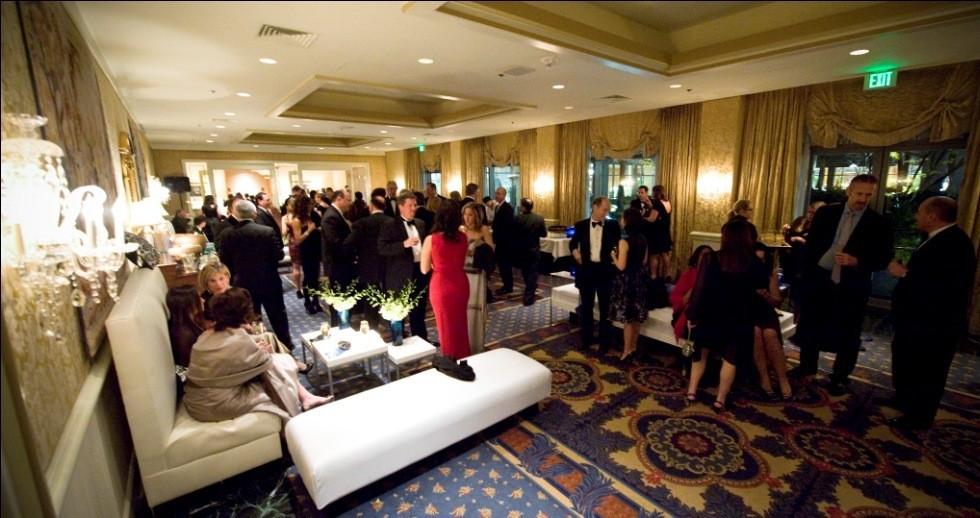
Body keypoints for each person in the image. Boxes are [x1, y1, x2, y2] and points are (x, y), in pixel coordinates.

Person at [788, 174, 892, 396]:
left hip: (852, 286)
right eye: (859, 193)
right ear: (848, 191)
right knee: (810, 325)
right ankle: (807, 367)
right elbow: (812, 246)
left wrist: (858, 262)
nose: (863, 199)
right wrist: (805, 275)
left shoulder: (878, 223)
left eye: (868, 195)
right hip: (819, 280)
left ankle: (840, 376)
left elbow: (883, 258)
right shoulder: (827, 213)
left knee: (849, 332)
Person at [884, 197, 975, 432]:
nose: (916, 216)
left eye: (920, 212)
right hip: (918, 319)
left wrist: (904, 274)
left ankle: (918, 418)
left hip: (934, 323)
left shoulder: (954, 243)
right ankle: (905, 400)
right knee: (909, 361)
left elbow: (943, 286)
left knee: (928, 371)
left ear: (932, 216)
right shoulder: (940, 238)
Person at [183, 288, 331, 423]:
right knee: (276, 373)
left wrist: (258, 351)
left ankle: (305, 399)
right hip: (214, 404)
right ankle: (294, 421)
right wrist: (263, 352)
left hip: (196, 399)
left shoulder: (208, 334)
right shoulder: (239, 339)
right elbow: (267, 364)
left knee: (273, 361)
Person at [685, 219, 766, 411]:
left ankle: (692, 390)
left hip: (711, 313)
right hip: (739, 317)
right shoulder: (754, 263)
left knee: (701, 354)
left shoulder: (711, 258)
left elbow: (699, 289)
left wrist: (692, 315)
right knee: (730, 359)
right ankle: (720, 399)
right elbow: (760, 289)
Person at [216, 200, 295, 349]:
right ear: (254, 213)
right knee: (277, 315)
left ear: (236, 214)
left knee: (247, 317)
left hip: (243, 283)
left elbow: (224, 260)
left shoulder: (227, 234)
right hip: (269, 280)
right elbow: (278, 256)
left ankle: (252, 347)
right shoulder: (266, 231)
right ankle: (286, 344)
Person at [569, 196, 621, 354]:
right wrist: (575, 252)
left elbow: (619, 244)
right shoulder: (581, 225)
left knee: (605, 309)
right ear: (595, 207)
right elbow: (573, 242)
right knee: (587, 307)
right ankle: (587, 339)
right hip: (587, 271)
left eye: (608, 211)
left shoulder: (613, 225)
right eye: (604, 210)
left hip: (605, 272)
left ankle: (605, 342)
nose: (606, 213)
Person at [379, 191, 430, 341]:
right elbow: (382, 248)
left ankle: (421, 339)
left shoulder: (420, 223)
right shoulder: (390, 224)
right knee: (399, 311)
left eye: (415, 205)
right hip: (399, 275)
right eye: (410, 206)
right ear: (401, 207)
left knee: (419, 309)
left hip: (419, 272)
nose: (414, 208)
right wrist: (403, 244)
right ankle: (398, 341)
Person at [421, 205, 470, 359]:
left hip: (441, 285)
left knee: (445, 328)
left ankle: (451, 362)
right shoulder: (463, 237)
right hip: (461, 283)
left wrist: (437, 264)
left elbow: (424, 269)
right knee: (460, 325)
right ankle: (464, 359)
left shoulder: (431, 239)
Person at [751, 242, 793, 400]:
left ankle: (782, 378)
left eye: (763, 259)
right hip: (749, 312)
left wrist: (766, 295)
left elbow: (777, 302)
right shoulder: (745, 272)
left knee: (769, 333)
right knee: (755, 332)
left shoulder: (771, 273)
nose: (760, 263)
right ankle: (764, 378)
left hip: (766, 311)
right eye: (757, 259)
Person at [345, 196, 391, 330]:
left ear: (371, 207)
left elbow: (348, 243)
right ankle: (396, 332)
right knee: (392, 302)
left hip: (368, 267)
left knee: (371, 303)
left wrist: (355, 256)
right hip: (389, 267)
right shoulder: (392, 222)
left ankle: (372, 330)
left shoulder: (362, 223)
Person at [609, 208, 649, 361]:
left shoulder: (624, 241)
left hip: (628, 282)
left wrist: (613, 254)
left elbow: (621, 266)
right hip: (640, 281)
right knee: (636, 319)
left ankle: (626, 352)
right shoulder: (644, 239)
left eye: (622, 218)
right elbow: (644, 261)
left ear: (627, 222)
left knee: (628, 320)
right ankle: (634, 347)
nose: (621, 220)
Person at [781, 201, 826, 319]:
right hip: (791, 260)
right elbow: (788, 237)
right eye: (810, 212)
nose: (810, 215)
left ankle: (798, 320)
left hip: (805, 264)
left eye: (814, 213)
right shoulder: (801, 221)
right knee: (791, 293)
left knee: (800, 295)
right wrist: (785, 232)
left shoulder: (822, 229)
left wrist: (801, 240)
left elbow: (819, 248)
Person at [321, 188, 355, 324]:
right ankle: (338, 326)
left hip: (341, 264)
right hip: (337, 265)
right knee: (338, 299)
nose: (350, 203)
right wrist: (354, 236)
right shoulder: (331, 216)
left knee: (343, 297)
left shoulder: (336, 214)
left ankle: (343, 323)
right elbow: (335, 242)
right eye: (348, 200)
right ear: (339, 199)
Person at [670, 245, 713, 342]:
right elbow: (677, 299)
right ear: (697, 257)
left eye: (709, 255)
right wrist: (694, 292)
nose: (707, 257)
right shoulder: (688, 274)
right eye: (704, 255)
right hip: (686, 313)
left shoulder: (713, 278)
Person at [291, 195, 323, 315]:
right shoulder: (297, 220)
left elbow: (318, 227)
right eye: (310, 204)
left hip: (315, 249)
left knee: (315, 277)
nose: (312, 206)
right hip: (306, 250)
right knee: (308, 277)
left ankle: (315, 300)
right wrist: (309, 230)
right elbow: (298, 239)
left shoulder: (312, 215)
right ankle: (307, 301)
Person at [167, 285, 208, 370]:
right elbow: (195, 364)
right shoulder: (184, 335)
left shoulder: (192, 322)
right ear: (188, 304)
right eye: (199, 298)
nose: (203, 300)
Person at [461, 201, 496, 302]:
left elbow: (490, 249)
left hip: (478, 268)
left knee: (477, 298)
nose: (466, 218)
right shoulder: (461, 229)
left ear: (476, 216)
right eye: (465, 214)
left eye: (470, 215)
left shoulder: (483, 229)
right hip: (463, 269)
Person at [514, 197, 546, 306]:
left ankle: (528, 295)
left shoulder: (517, 219)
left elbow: (513, 234)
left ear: (523, 206)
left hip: (521, 250)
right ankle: (530, 291)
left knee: (525, 272)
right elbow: (544, 234)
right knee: (532, 272)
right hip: (533, 249)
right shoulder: (539, 219)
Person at [492, 187, 516, 296]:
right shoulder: (498, 207)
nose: (496, 195)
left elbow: (507, 228)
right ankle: (506, 285)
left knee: (505, 266)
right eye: (496, 193)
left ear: (504, 195)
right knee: (502, 266)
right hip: (500, 242)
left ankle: (508, 286)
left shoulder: (507, 208)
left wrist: (500, 241)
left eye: (499, 194)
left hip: (505, 244)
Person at [281, 197, 303, 300]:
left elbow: (284, 233)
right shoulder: (302, 216)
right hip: (304, 241)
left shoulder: (285, 217)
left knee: (295, 267)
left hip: (293, 241)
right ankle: (309, 288)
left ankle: (298, 289)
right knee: (308, 266)